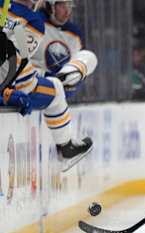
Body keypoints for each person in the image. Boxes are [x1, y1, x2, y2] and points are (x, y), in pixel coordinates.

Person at [0, 0, 92, 172]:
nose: (67, 10)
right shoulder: (33, 21)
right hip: (16, 87)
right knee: (56, 88)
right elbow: (16, 61)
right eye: (62, 5)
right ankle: (66, 149)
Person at [31, 0, 97, 99]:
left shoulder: (75, 34)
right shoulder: (35, 22)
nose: (67, 11)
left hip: (61, 90)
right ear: (50, 6)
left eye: (70, 5)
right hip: (34, 85)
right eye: (62, 6)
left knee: (90, 56)